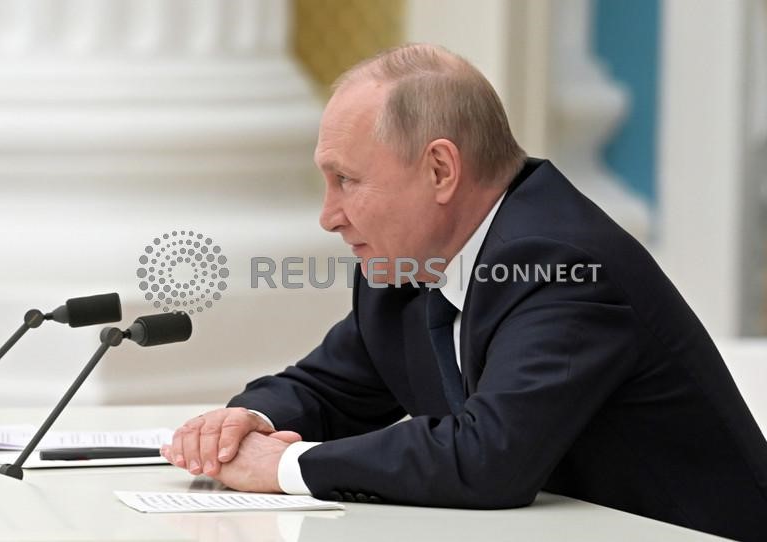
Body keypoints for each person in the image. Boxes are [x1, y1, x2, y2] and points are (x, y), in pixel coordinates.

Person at [161, 44, 767, 541]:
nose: (329, 216)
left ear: (440, 171)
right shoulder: (408, 266)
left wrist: (286, 467)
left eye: (346, 180)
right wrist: (242, 423)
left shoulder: (561, 263)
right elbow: (328, 386)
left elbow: (488, 458)